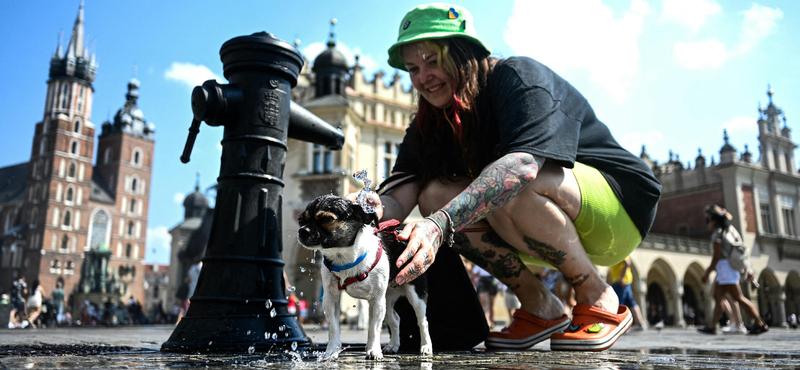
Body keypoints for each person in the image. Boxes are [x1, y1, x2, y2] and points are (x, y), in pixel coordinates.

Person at [354, 3, 661, 351]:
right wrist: (366, 210)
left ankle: (597, 293)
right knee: (434, 194)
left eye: (433, 60)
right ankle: (539, 305)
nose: (423, 77)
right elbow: (401, 190)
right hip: (536, 225)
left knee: (509, 179)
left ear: (465, 53)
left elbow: (521, 166)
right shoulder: (429, 122)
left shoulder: (517, 77)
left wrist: (438, 226)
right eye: (413, 68)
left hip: (618, 213)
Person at [697, 204, 768, 335]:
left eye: (708, 220)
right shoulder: (730, 230)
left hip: (725, 268)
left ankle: (760, 323)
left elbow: (717, 257)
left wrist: (707, 272)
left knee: (739, 298)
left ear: (713, 220)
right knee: (717, 297)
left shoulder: (718, 234)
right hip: (728, 268)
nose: (707, 223)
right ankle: (712, 326)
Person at [608, 256, 647, 330]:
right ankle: (640, 323)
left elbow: (627, 262)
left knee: (619, 303)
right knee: (631, 302)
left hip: (621, 282)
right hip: (620, 281)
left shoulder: (621, 250)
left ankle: (621, 325)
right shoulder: (615, 253)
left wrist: (622, 277)